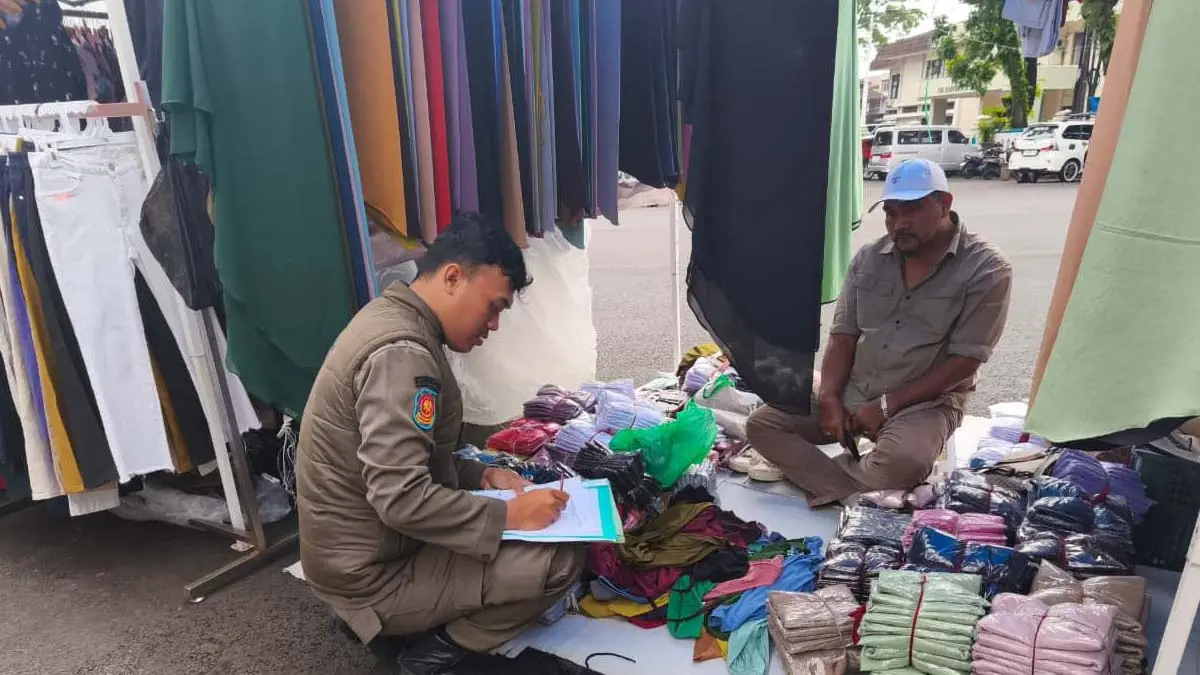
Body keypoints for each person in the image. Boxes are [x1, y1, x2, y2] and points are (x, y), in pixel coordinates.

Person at [296, 213, 585, 675]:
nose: (492, 325)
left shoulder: (392, 318)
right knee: (560, 558)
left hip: (358, 551)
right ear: (453, 277)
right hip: (370, 574)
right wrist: (508, 515)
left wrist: (482, 474)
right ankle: (431, 655)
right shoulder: (404, 355)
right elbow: (400, 496)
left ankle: (403, 624)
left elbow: (414, 457)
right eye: (492, 306)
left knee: (518, 524)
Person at [746, 158, 1013, 507]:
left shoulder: (987, 269)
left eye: (912, 210)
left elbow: (965, 361)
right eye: (891, 212)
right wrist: (829, 398)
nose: (899, 224)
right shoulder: (869, 259)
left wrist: (887, 406)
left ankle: (830, 481)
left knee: (906, 462)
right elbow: (843, 336)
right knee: (762, 425)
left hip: (925, 402)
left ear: (944, 204)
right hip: (857, 388)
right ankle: (855, 487)